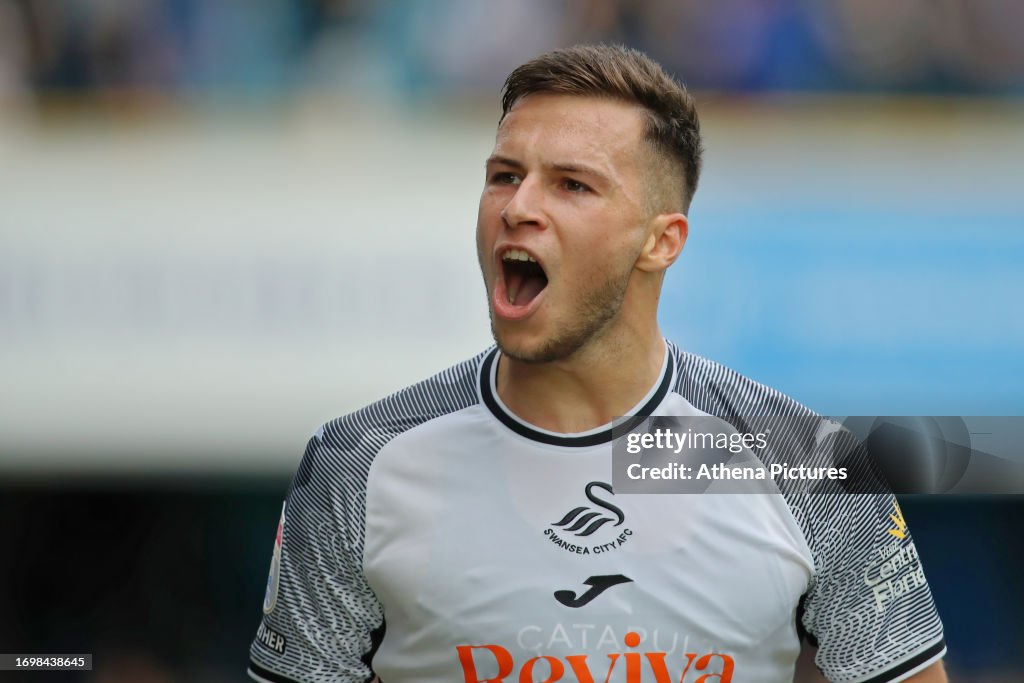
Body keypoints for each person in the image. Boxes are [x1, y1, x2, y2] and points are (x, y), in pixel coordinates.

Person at [247, 44, 947, 683]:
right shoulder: (356, 464)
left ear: (661, 241)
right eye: (504, 175)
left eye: (572, 185)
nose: (518, 206)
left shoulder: (811, 463)